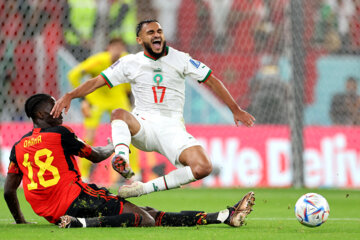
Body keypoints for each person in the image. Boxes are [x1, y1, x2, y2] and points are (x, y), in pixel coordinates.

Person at [51, 19, 256, 199]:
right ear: (140, 40)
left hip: (173, 129)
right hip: (144, 125)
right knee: (119, 114)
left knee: (203, 167)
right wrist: (70, 95)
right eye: (151, 32)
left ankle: (143, 188)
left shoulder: (181, 58)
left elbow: (212, 81)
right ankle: (121, 156)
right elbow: (97, 81)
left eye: (159, 31)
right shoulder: (130, 62)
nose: (157, 35)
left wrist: (235, 109)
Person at [4, 93, 255, 228]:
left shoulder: (18, 147)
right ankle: (81, 224)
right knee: (144, 219)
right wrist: (118, 140)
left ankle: (222, 216)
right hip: (77, 200)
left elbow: (8, 191)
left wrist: (20, 221)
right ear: (40, 114)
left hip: (52, 213)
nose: (61, 109)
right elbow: (97, 155)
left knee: (149, 213)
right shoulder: (60, 134)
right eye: (54, 106)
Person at [68, 38, 138, 181]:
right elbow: (74, 74)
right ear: (108, 48)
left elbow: (133, 79)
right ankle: (84, 175)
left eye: (121, 47)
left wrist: (128, 94)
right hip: (97, 99)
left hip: (117, 97)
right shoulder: (99, 61)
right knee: (90, 135)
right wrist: (84, 100)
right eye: (115, 47)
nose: (118, 51)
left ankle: (135, 173)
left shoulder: (127, 60)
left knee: (131, 132)